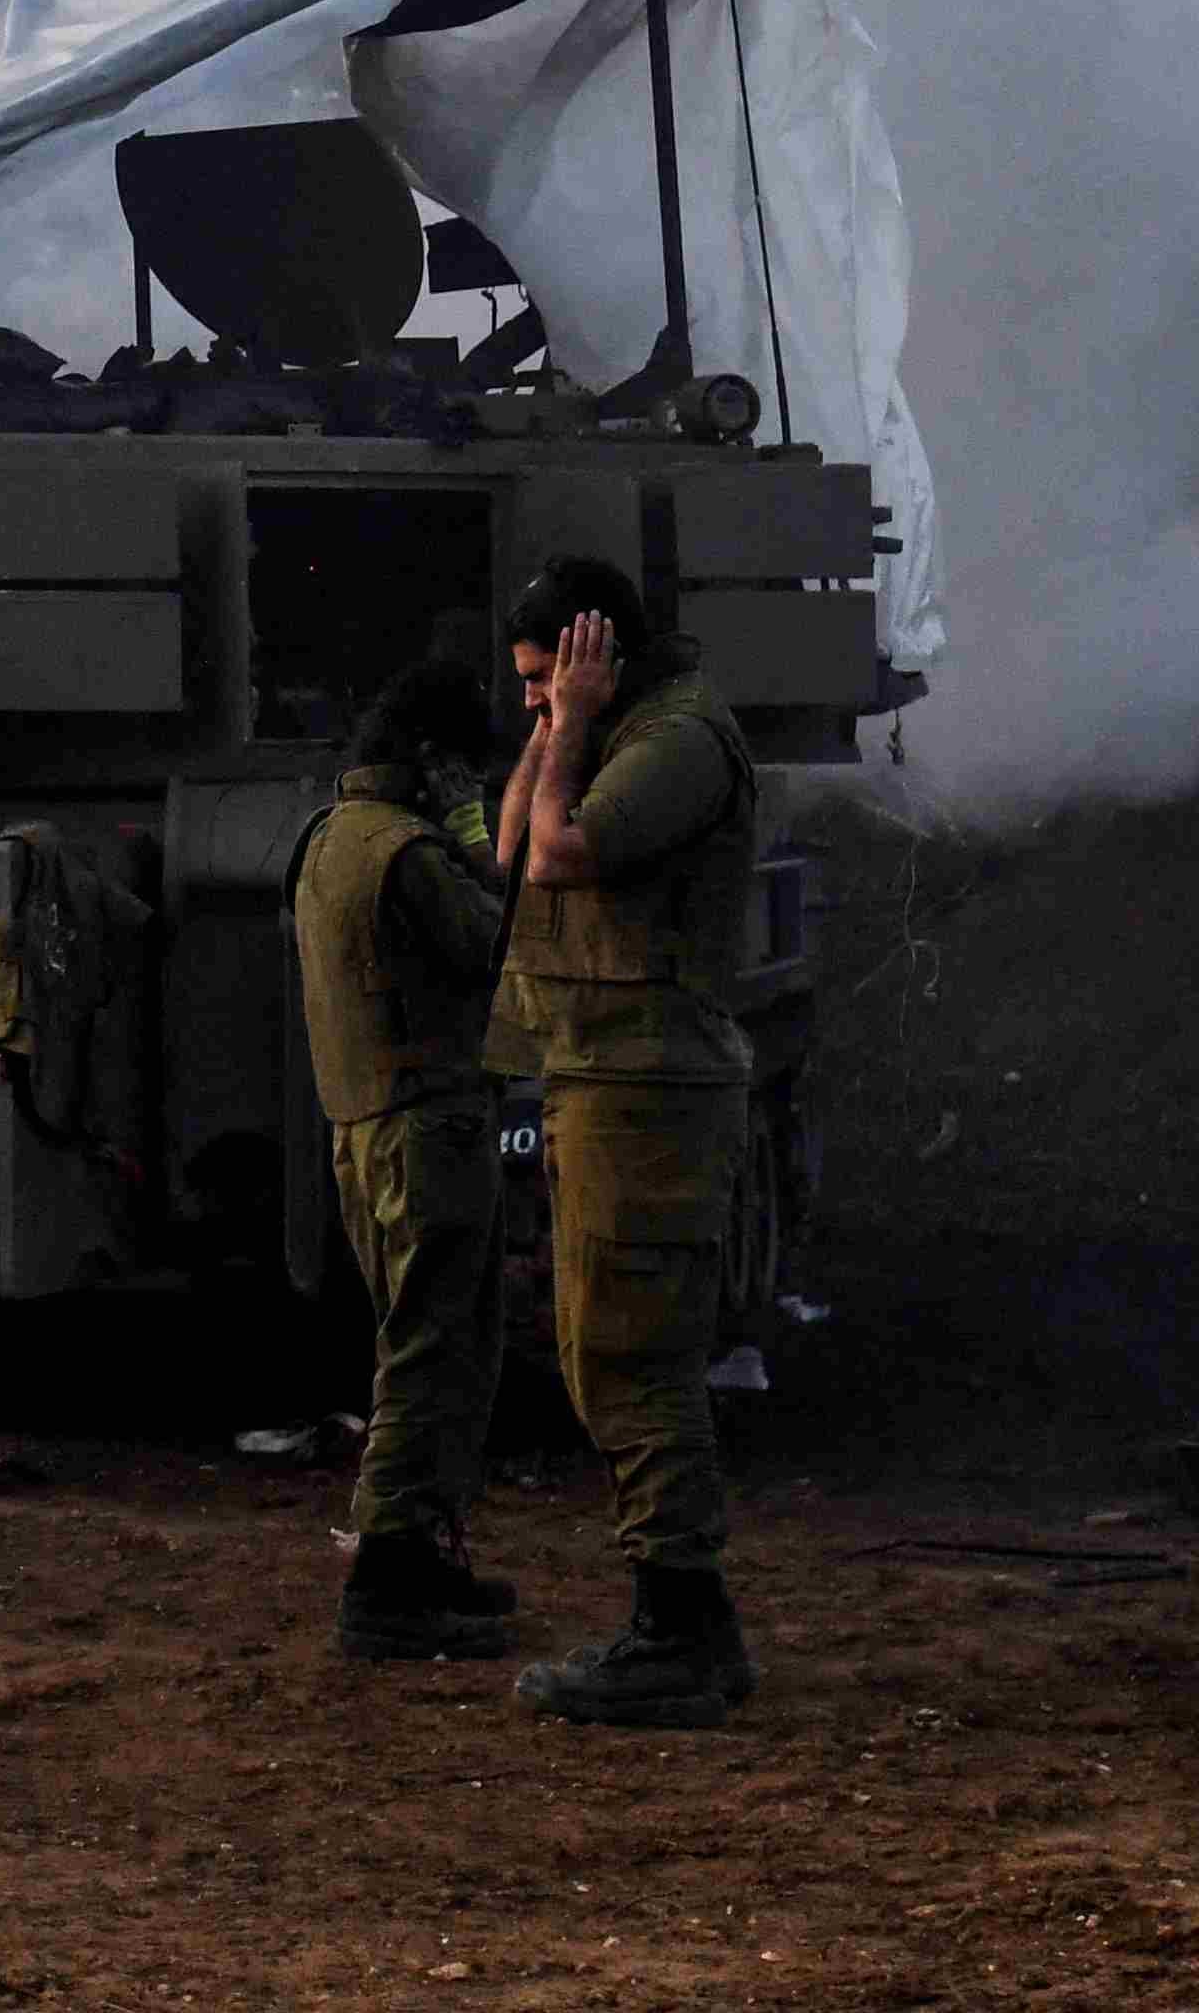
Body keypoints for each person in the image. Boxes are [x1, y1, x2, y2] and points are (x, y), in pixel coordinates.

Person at [485, 556, 772, 1729]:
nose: (531, 700)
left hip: (651, 1083)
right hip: (599, 1075)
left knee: (638, 1359)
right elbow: (512, 837)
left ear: (601, 653)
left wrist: (576, 722)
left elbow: (559, 857)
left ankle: (682, 1630)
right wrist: (557, 723)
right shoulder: (595, 731)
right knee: (600, 1347)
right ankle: (683, 1623)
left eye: (544, 675)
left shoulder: (678, 744)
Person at [290, 649, 520, 1660]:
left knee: (422, 1341)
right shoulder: (410, 852)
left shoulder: (330, 836)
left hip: (368, 1129)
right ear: (434, 761)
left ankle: (423, 1556)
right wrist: (477, 830)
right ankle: (388, 1575)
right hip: (429, 1129)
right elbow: (498, 942)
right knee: (435, 1352)